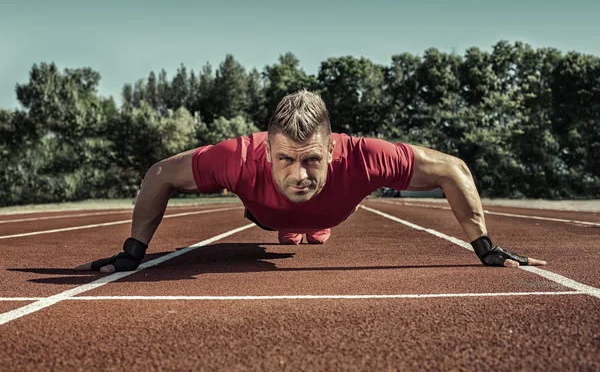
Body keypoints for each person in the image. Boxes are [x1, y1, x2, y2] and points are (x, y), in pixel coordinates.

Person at [75, 89, 546, 273]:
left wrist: (485, 247)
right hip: (262, 213)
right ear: (265, 148)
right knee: (282, 224)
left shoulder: (365, 157)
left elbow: (453, 169)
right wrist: (132, 253)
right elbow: (159, 174)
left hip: (333, 210)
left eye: (313, 161)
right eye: (286, 159)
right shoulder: (236, 156)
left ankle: (310, 224)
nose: (299, 175)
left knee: (314, 228)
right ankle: (292, 225)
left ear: (334, 149)